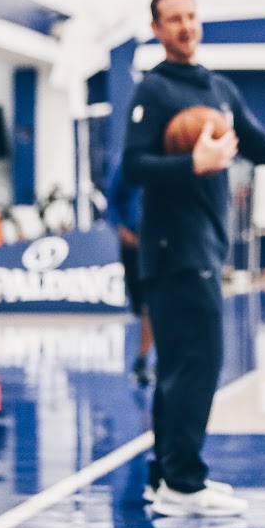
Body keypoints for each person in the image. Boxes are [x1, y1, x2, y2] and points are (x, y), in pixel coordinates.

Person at [122, 0, 265, 519]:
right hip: (172, 246)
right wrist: (192, 164)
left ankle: (166, 477)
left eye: (191, 16)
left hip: (204, 243)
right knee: (197, 363)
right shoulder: (153, 91)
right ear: (156, 30)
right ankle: (184, 482)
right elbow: (133, 165)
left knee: (182, 365)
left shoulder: (218, 88)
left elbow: (259, 148)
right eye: (173, 19)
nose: (185, 26)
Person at [107, 160, 153, 385]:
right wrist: (121, 228)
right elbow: (113, 199)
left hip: (157, 242)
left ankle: (144, 359)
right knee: (140, 305)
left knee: (150, 304)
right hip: (132, 244)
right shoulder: (128, 164)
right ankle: (144, 359)